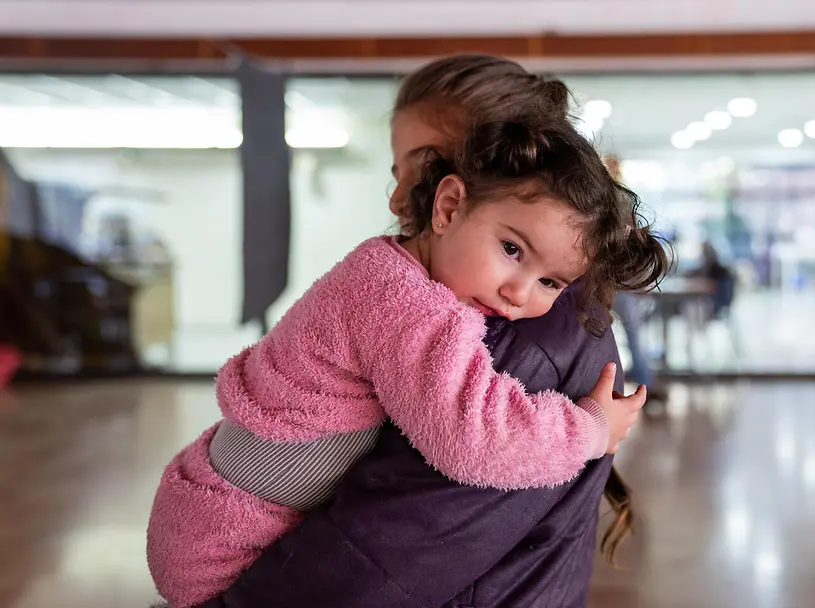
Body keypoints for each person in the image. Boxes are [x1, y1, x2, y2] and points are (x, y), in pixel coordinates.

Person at [198, 55, 667, 608]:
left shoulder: (522, 336)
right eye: (397, 171)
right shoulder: (435, 296)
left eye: (424, 164)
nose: (398, 198)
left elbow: (373, 564)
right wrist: (589, 429)